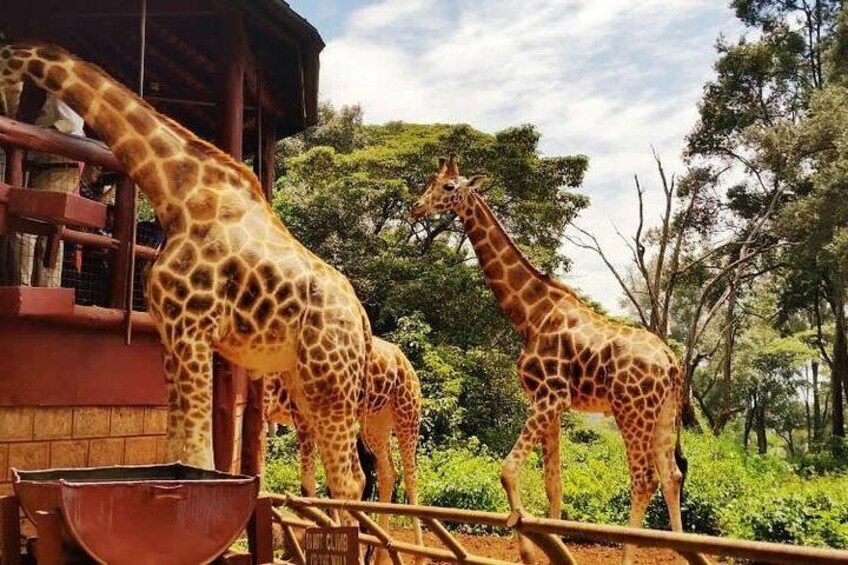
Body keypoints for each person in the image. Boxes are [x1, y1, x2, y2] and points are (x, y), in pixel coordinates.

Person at [10, 95, 85, 287]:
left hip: (59, 164)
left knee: (25, 229)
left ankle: (21, 288)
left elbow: (69, 124)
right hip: (54, 165)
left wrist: (34, 134)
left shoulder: (61, 85)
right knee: (51, 234)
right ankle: (45, 291)